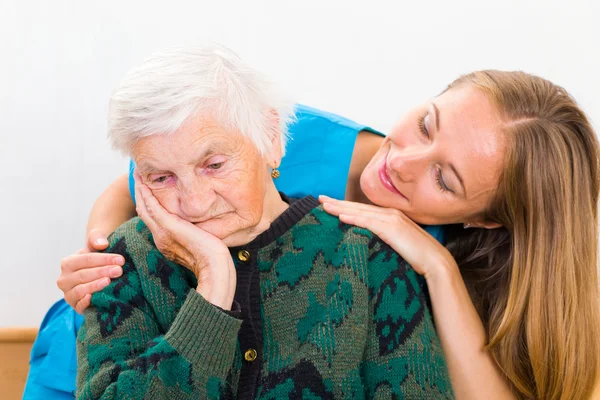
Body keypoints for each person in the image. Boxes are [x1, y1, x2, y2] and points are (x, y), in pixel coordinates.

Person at [32, 58, 600, 399]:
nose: (403, 162)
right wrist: (103, 262)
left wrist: (439, 269)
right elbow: (133, 177)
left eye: (444, 179)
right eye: (427, 123)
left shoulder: (422, 267)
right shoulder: (285, 133)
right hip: (98, 343)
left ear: (484, 218)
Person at [72, 44, 453, 399]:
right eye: (161, 177)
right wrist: (212, 288)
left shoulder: (369, 256)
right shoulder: (127, 259)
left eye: (214, 165)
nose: (194, 203)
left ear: (271, 139)